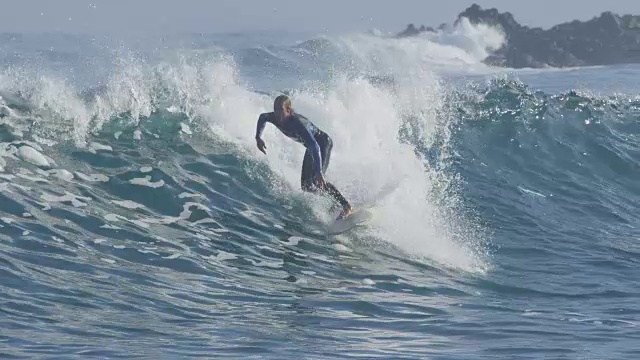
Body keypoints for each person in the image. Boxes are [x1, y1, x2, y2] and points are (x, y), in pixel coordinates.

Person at [255, 95, 353, 219]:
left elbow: (315, 146)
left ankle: (346, 206)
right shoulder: (274, 117)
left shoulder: (298, 124)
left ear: (289, 110)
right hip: (311, 148)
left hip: (322, 144)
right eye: (275, 109)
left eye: (280, 110)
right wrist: (258, 137)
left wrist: (318, 172)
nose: (277, 113)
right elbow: (262, 117)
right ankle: (334, 201)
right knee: (306, 186)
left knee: (317, 180)